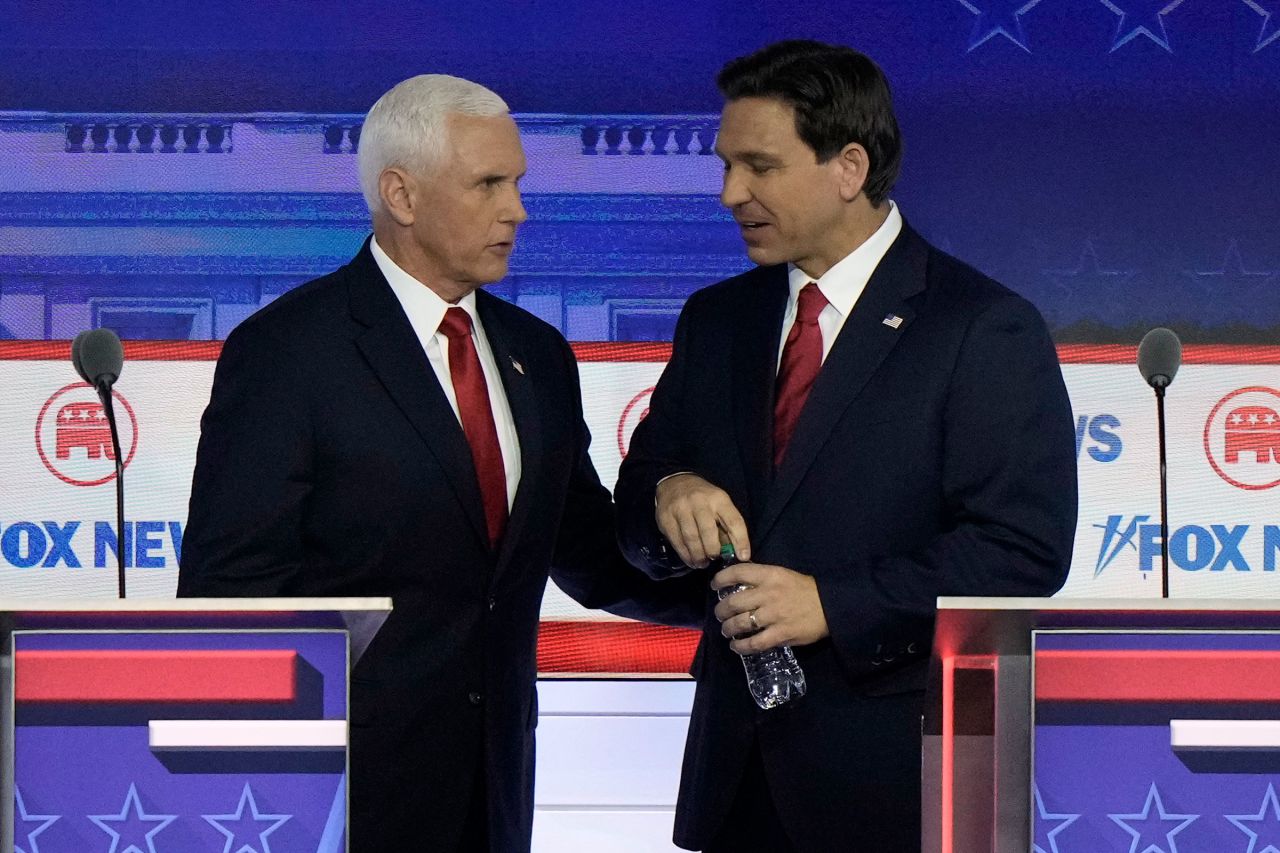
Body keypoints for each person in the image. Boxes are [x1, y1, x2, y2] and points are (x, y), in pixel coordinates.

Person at [178, 74, 701, 852]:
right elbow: (231, 596)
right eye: (489, 183)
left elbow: (589, 551)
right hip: (338, 800)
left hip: (495, 789)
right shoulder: (288, 352)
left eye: (518, 182)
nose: (517, 209)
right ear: (402, 194)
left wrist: (735, 598)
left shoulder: (538, 354)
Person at [615, 40, 1077, 852]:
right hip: (735, 782)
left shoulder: (979, 327)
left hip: (896, 783)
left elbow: (1020, 551)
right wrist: (667, 490)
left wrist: (835, 603)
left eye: (759, 165)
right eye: (725, 166)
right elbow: (636, 508)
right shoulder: (717, 320)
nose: (730, 194)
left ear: (849, 166)